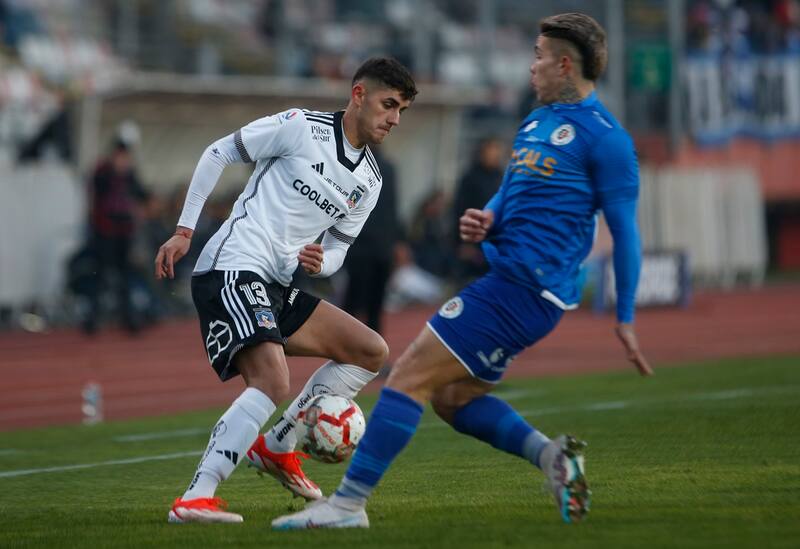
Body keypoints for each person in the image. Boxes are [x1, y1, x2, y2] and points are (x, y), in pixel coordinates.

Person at [272, 12, 652, 530]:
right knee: (454, 399)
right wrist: (489, 216)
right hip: (511, 284)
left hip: (526, 290)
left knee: (406, 378)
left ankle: (348, 504)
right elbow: (513, 189)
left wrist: (625, 315)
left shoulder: (607, 141)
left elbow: (627, 233)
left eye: (541, 56)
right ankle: (554, 458)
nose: (532, 66)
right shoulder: (536, 122)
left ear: (565, 65)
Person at [154, 57, 417, 523]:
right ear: (359, 94)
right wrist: (184, 230)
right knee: (273, 379)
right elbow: (219, 152)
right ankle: (196, 496)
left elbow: (338, 248)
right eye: (388, 104)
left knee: (369, 350)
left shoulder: (370, 181)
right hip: (232, 266)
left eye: (401, 110)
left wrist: (322, 261)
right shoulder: (300, 126)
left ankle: (278, 446)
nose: (394, 118)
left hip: (275, 285)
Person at [84, 137, 150, 334]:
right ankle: (92, 319)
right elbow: (96, 197)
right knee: (101, 275)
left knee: (124, 276)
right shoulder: (102, 171)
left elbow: (141, 193)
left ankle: (128, 319)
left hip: (123, 232)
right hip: (104, 231)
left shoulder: (129, 173)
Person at [342, 146, 403, 336]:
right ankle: (344, 345)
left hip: (380, 246)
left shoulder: (389, 168)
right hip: (360, 245)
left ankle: (371, 355)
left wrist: (399, 240)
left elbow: (393, 207)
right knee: (355, 300)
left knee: (376, 303)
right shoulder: (351, 166)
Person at [451, 137, 505, 282]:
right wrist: (462, 243)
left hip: (495, 245)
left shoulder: (501, 178)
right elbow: (458, 210)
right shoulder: (470, 178)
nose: (494, 154)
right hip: (472, 244)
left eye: (497, 150)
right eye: (491, 150)